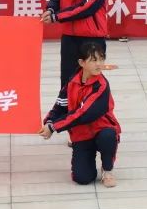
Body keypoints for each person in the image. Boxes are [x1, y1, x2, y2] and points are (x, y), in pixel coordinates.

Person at [39, 41, 120, 187]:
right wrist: (49, 122)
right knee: (82, 178)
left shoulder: (101, 85)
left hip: (102, 130)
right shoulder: (71, 82)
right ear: (81, 62)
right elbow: (60, 106)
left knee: (108, 136)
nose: (99, 64)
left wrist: (54, 127)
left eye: (101, 59)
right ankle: (88, 159)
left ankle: (107, 169)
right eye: (93, 60)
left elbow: (84, 113)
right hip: (81, 135)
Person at [41, 0, 110, 104]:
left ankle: (90, 110)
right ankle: (67, 110)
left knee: (91, 78)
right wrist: (50, 9)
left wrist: (57, 16)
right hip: (70, 36)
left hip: (92, 36)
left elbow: (87, 7)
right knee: (68, 78)